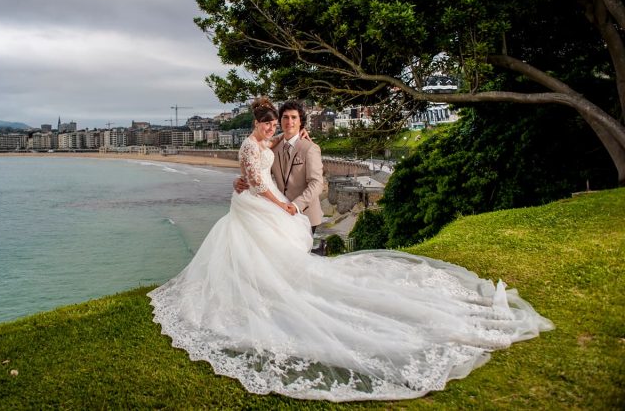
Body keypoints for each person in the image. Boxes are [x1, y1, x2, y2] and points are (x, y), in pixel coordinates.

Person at [148, 97, 553, 402]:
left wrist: (291, 205)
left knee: (287, 265)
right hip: (268, 210)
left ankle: (284, 292)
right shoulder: (267, 144)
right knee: (271, 264)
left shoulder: (307, 147)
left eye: (287, 120)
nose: (280, 124)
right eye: (276, 120)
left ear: (298, 123)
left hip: (295, 214)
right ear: (266, 123)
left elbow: (314, 184)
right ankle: (275, 293)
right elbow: (256, 177)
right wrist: (249, 186)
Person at [234, 100, 324, 233]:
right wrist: (240, 180)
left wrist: (296, 205)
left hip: (305, 213)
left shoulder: (310, 148)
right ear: (280, 121)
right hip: (277, 212)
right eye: (285, 117)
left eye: (294, 117)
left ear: (301, 122)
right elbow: (257, 173)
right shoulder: (272, 148)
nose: (290, 122)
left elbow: (317, 183)